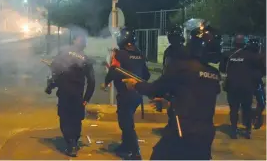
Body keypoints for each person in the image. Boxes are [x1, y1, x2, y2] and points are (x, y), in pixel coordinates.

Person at [123, 20, 222, 160]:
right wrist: (169, 103)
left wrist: (135, 85)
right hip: (205, 134)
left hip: (182, 132)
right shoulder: (214, 75)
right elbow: (195, 99)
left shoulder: (182, 67)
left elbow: (154, 89)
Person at [102, 27, 150, 160]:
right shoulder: (140, 54)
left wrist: (105, 83)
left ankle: (135, 151)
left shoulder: (119, 54)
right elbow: (147, 74)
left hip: (125, 94)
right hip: (137, 94)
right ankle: (125, 146)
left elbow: (113, 70)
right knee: (127, 119)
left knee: (125, 123)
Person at [49, 32, 95, 157]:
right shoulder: (86, 59)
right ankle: (73, 142)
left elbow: (54, 71)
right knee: (75, 120)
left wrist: (51, 85)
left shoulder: (63, 53)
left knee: (65, 119)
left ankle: (71, 144)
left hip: (64, 93)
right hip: (78, 95)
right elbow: (92, 81)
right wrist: (86, 99)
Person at [219, 35, 262, 139]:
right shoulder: (252, 56)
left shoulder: (228, 55)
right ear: (244, 44)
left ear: (234, 43)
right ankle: (247, 130)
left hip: (232, 85)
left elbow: (222, 69)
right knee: (247, 108)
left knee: (234, 109)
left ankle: (233, 130)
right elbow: (259, 70)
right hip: (247, 86)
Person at [245, 39, 266, 129]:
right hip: (256, 82)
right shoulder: (260, 57)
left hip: (247, 82)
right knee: (261, 102)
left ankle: (250, 120)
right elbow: (264, 70)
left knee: (246, 103)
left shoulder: (245, 56)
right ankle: (256, 119)